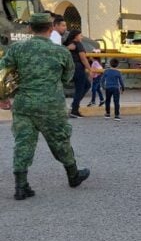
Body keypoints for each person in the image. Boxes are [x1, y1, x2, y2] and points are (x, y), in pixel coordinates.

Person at [0, 11, 90, 200]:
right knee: (60, 140)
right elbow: (67, 78)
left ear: (30, 28)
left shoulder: (17, 49)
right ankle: (73, 175)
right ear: (51, 29)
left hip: (24, 104)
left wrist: (2, 96)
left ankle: (21, 186)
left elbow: (3, 70)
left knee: (23, 142)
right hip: (52, 104)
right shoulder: (61, 51)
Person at [65, 29, 91, 117]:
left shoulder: (69, 44)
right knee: (80, 89)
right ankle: (74, 109)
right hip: (78, 68)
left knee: (86, 85)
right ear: (76, 36)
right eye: (80, 35)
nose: (82, 37)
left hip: (72, 68)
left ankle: (75, 105)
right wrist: (90, 69)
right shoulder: (78, 44)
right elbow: (83, 59)